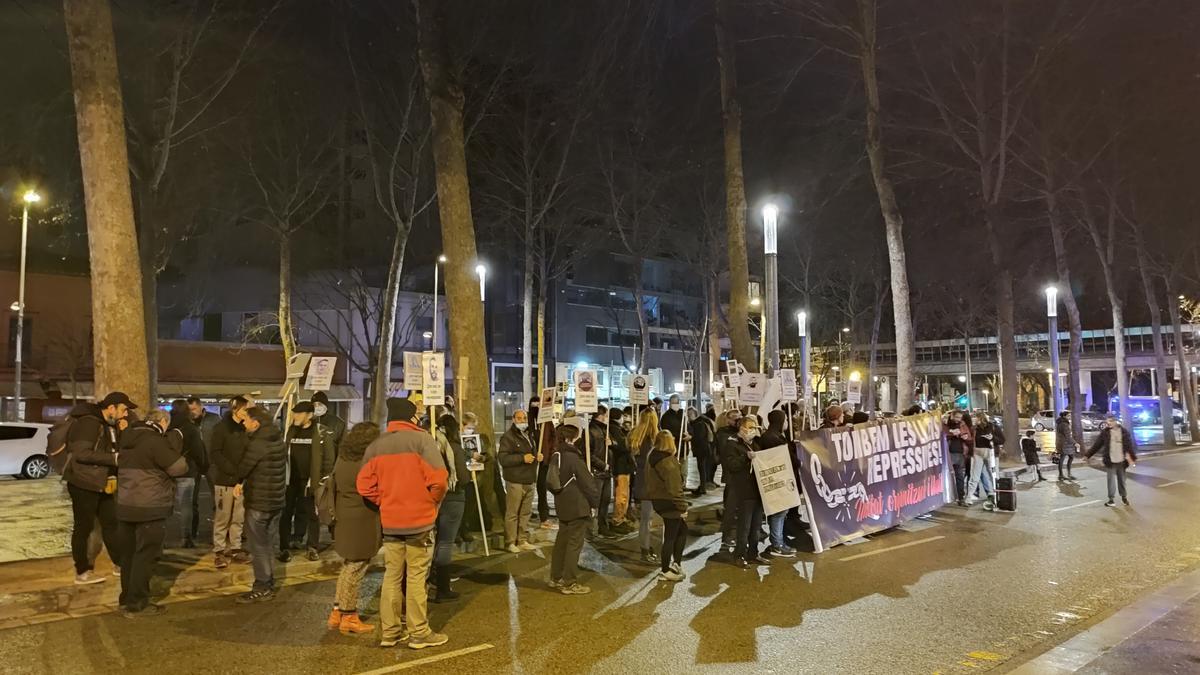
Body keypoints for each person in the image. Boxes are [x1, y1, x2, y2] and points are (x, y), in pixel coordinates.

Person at [357, 398, 449, 650]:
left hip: (391, 521)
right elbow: (440, 480)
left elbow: (364, 485)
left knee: (392, 576)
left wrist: (384, 501)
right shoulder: (422, 441)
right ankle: (419, 632)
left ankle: (391, 632)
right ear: (412, 418)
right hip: (420, 522)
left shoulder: (376, 446)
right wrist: (431, 502)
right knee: (417, 577)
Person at [115, 409, 188, 617]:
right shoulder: (155, 441)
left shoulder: (127, 438)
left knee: (128, 555)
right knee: (145, 555)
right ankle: (138, 603)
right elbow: (178, 467)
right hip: (150, 506)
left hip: (125, 505)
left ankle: (126, 598)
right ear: (163, 422)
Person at [65, 391, 134, 585]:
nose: (125, 414)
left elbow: (114, 448)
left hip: (101, 483)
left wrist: (123, 432)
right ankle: (82, 572)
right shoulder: (89, 423)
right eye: (123, 409)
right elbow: (81, 454)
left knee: (111, 524)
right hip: (83, 483)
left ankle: (120, 564)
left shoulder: (108, 425)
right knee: (83, 527)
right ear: (111, 408)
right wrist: (113, 459)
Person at [328, 422, 382, 635]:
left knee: (348, 565)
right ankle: (349, 615)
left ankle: (337, 611)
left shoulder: (342, 458)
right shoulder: (366, 462)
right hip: (362, 518)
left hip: (344, 516)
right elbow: (373, 489)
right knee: (356, 567)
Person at [234, 407, 287, 603]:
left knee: (258, 546)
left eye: (246, 420)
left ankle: (262, 586)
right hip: (276, 500)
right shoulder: (277, 439)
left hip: (259, 501)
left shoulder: (258, 443)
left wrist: (238, 481)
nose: (243, 423)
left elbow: (244, 467)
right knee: (268, 544)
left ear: (256, 423)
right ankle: (268, 582)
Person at [280, 401, 336, 562]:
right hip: (291, 481)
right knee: (286, 514)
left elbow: (328, 459)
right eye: (295, 413)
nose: (295, 416)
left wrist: (322, 480)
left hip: (311, 482)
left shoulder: (321, 432)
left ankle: (312, 547)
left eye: (299, 413)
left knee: (313, 514)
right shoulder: (291, 431)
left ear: (309, 415)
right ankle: (285, 547)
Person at [548, 424, 599, 595]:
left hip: (562, 504)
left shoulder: (556, 455)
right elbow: (588, 484)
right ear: (572, 438)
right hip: (578, 506)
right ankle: (569, 582)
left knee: (561, 542)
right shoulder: (574, 458)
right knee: (574, 544)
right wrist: (594, 504)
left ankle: (556, 577)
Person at [207, 396, 252, 568]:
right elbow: (216, 453)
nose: (246, 413)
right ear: (235, 409)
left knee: (238, 517)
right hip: (224, 480)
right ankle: (219, 551)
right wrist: (232, 470)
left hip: (241, 482)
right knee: (222, 517)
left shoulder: (246, 428)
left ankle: (235, 548)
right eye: (244, 409)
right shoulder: (221, 428)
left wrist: (243, 474)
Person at [432, 414, 469, 603]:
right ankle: (443, 587)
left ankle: (433, 578)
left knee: (436, 541)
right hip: (453, 497)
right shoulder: (454, 449)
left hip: (433, 498)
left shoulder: (430, 446)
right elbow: (462, 477)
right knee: (446, 542)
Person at [723, 416, 768, 568]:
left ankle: (753, 553)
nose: (752, 430)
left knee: (756, 525)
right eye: (750, 427)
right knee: (745, 526)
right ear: (741, 428)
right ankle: (740, 555)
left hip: (757, 489)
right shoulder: (732, 443)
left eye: (755, 427)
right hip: (744, 490)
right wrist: (745, 458)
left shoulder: (754, 443)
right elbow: (731, 465)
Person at [644, 431, 689, 582]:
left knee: (681, 530)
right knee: (671, 535)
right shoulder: (668, 461)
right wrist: (682, 507)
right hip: (670, 501)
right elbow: (675, 488)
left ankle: (676, 563)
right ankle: (665, 569)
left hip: (659, 499)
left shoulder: (653, 456)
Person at [498, 410, 539, 553]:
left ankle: (522, 539)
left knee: (525, 512)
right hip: (515, 480)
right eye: (519, 418)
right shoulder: (508, 437)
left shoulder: (529, 435)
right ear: (514, 419)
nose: (522, 421)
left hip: (529, 479)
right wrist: (522, 458)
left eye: (524, 418)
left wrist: (536, 456)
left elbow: (530, 454)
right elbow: (503, 459)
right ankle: (510, 541)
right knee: (513, 512)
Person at [168, 400, 206, 549]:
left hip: (168, 471)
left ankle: (161, 537)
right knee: (186, 506)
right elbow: (198, 451)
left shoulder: (168, 427)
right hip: (187, 471)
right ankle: (186, 538)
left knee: (165, 505)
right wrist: (202, 467)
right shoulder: (190, 428)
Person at [759, 410, 798, 557]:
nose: (787, 422)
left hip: (779, 480)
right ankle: (777, 544)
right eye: (785, 420)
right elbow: (787, 459)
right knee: (779, 512)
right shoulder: (773, 438)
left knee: (780, 512)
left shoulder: (772, 436)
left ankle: (778, 542)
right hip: (777, 481)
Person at [629, 408, 661, 564]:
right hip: (651, 482)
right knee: (647, 520)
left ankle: (646, 546)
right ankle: (645, 550)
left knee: (645, 519)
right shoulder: (654, 440)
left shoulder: (635, 437)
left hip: (640, 481)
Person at [578, 405, 613, 538]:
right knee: (593, 502)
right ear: (601, 416)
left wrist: (611, 443)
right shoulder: (591, 431)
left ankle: (603, 527)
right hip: (597, 472)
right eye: (606, 415)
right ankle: (589, 529)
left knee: (605, 501)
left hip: (606, 471)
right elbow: (587, 453)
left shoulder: (605, 430)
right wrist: (602, 465)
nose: (607, 418)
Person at [1087, 415, 1137, 507]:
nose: (1109, 423)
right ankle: (1111, 499)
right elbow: (1097, 445)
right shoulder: (1105, 433)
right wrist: (1088, 455)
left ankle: (1124, 497)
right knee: (1110, 481)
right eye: (1108, 421)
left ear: (1116, 422)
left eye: (1111, 421)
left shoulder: (1124, 432)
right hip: (1110, 460)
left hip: (1121, 460)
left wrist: (1132, 458)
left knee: (1121, 480)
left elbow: (1129, 446)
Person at [716, 409, 744, 550]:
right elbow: (726, 451)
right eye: (734, 418)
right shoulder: (724, 434)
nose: (737, 421)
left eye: (739, 418)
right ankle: (727, 536)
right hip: (731, 476)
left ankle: (737, 534)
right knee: (731, 509)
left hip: (742, 476)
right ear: (728, 420)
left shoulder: (740, 434)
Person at [609, 407, 635, 532]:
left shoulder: (616, 429)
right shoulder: (614, 429)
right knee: (622, 495)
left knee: (623, 494)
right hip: (621, 466)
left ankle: (621, 517)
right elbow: (623, 446)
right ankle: (618, 519)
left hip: (623, 466)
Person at [964, 417, 998, 511]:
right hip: (977, 453)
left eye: (976, 419)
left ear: (982, 419)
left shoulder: (993, 427)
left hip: (989, 452)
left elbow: (1001, 439)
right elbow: (971, 440)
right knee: (975, 475)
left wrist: (992, 438)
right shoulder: (974, 429)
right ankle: (969, 497)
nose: (974, 421)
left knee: (992, 474)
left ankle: (994, 494)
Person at [945, 410, 973, 506]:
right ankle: (946, 496)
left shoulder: (963, 425)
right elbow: (940, 436)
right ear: (951, 416)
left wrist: (964, 437)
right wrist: (951, 434)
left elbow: (969, 439)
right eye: (956, 417)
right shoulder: (945, 424)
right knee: (946, 476)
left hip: (960, 453)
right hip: (947, 453)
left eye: (960, 418)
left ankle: (960, 497)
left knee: (960, 476)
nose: (958, 420)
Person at [688, 407, 716, 497]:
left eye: (690, 414)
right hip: (703, 448)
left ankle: (702, 488)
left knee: (702, 468)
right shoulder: (700, 421)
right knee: (702, 468)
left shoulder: (698, 423)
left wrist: (691, 437)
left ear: (695, 414)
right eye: (688, 414)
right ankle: (702, 486)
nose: (689, 416)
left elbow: (699, 437)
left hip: (702, 449)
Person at [1056, 411, 1078, 482]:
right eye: (1068, 416)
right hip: (1065, 444)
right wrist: (1075, 443)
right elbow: (1068, 436)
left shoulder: (1059, 423)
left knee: (1062, 459)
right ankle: (1067, 474)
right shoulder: (1065, 424)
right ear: (1064, 416)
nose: (1070, 417)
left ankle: (1061, 475)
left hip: (1060, 443)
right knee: (1069, 457)